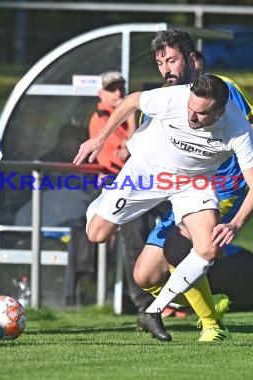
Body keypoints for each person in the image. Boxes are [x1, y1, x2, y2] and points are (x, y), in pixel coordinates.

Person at [132, 29, 253, 342]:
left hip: (222, 190)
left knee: (177, 250)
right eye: (160, 63)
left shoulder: (224, 89)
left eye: (171, 60)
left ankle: (212, 326)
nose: (166, 69)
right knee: (145, 275)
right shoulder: (160, 100)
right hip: (181, 194)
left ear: (191, 59)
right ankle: (210, 305)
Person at [74, 74, 253, 342]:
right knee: (96, 234)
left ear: (220, 111)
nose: (191, 116)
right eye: (190, 108)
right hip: (147, 171)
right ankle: (106, 197)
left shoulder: (237, 127)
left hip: (193, 183)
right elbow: (132, 101)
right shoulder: (174, 98)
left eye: (200, 114)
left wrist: (236, 223)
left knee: (208, 247)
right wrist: (100, 139)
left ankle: (154, 312)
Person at [88, 71, 165, 323]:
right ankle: (144, 305)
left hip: (142, 186)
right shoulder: (101, 120)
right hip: (118, 187)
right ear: (101, 94)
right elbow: (122, 157)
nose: (119, 93)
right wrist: (131, 117)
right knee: (134, 244)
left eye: (122, 88)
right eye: (112, 89)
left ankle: (162, 298)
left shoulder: (124, 119)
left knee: (155, 239)